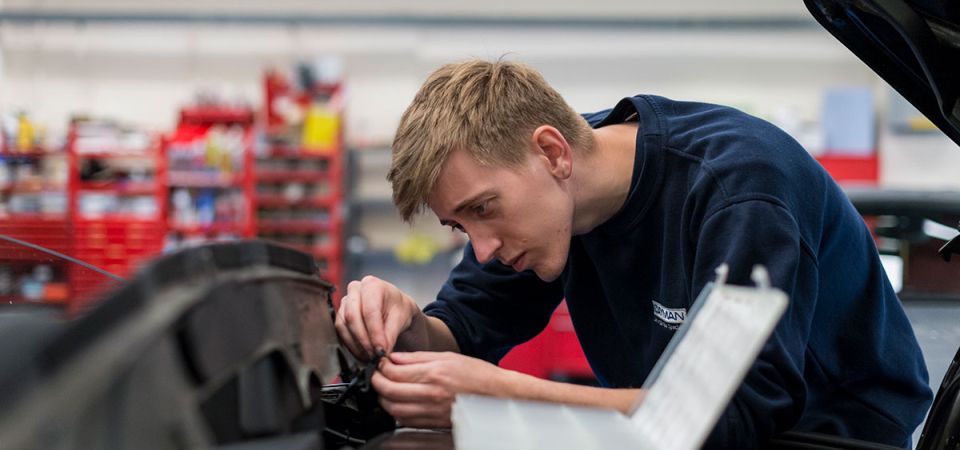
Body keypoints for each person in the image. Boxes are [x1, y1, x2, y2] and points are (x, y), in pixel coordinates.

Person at [334, 59, 933, 448]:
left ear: (553, 152)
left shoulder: (739, 189)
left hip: (828, 437)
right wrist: (409, 323)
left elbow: (734, 417)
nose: (483, 250)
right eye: (460, 226)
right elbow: (463, 329)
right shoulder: (552, 200)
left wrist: (496, 392)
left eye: (483, 209)